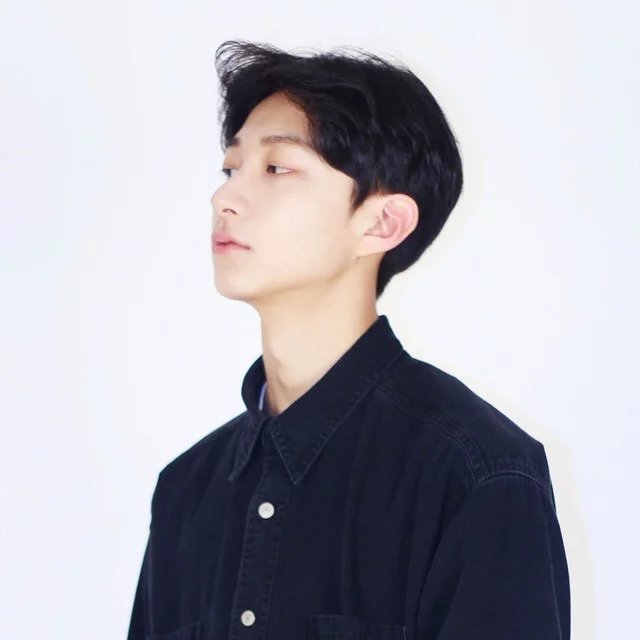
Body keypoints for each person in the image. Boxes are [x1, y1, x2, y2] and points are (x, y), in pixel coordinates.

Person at [127, 39, 570, 640]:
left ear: (383, 222)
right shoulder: (186, 491)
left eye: (277, 168)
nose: (223, 198)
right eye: (231, 169)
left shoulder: (476, 472)